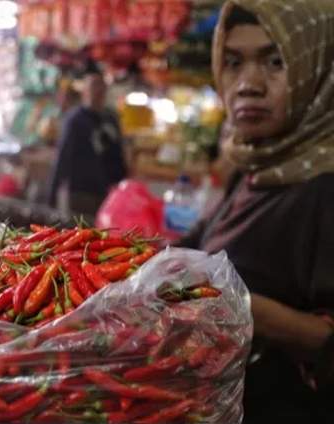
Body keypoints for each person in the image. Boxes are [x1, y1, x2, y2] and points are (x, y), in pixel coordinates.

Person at [180, 2, 334, 422]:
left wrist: (239, 305)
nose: (248, 84)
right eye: (232, 62)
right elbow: (195, 252)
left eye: (275, 62)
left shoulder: (324, 187)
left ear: (320, 71)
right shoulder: (252, 175)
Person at [48, 66, 128, 216]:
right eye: (93, 86)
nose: (97, 91)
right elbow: (62, 156)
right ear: (84, 91)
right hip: (79, 192)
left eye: (100, 86)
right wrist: (52, 195)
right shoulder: (75, 120)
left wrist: (123, 185)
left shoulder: (110, 119)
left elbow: (117, 153)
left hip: (106, 192)